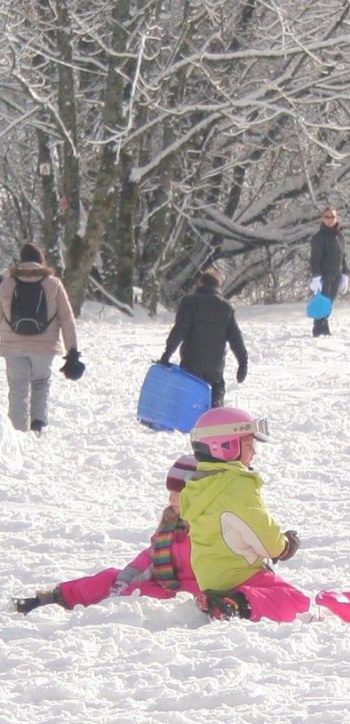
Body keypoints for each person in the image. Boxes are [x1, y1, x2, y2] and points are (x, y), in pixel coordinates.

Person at [12, 455, 202, 614]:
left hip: (186, 593)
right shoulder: (171, 522)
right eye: (170, 493)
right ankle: (51, 599)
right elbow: (151, 555)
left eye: (177, 494)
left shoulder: (205, 528)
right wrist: (126, 577)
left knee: (138, 592)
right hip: (161, 581)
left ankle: (112, 609)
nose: (171, 499)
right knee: (109, 578)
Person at [181, 407, 308, 622]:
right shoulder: (237, 487)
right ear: (224, 447)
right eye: (249, 445)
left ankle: (220, 600)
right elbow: (261, 532)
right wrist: (284, 546)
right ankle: (237, 603)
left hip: (209, 578)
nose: (254, 453)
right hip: (241, 575)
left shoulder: (198, 486)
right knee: (296, 602)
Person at [0, 243, 83, 433]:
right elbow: (67, 319)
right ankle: (37, 425)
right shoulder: (53, 284)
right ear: (40, 261)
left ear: (21, 261)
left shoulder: (7, 283)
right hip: (45, 347)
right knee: (40, 383)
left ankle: (18, 433)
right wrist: (72, 352)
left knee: (18, 389)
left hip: (13, 347)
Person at [158, 267, 247, 408]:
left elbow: (179, 330)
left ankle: (188, 419)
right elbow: (236, 339)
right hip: (215, 366)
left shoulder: (189, 302)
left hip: (191, 362)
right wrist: (243, 363)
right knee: (217, 387)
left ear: (200, 284)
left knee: (189, 397)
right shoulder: (226, 307)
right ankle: (215, 412)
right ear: (218, 286)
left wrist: (166, 354)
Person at [308, 205, 350, 338]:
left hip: (336, 274)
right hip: (324, 276)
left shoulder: (339, 237)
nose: (330, 220)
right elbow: (315, 259)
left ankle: (325, 327)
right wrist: (316, 277)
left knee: (329, 302)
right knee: (322, 302)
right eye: (327, 217)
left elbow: (343, 256)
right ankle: (318, 329)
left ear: (336, 218)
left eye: (332, 217)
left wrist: (345, 273)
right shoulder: (319, 237)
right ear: (322, 219)